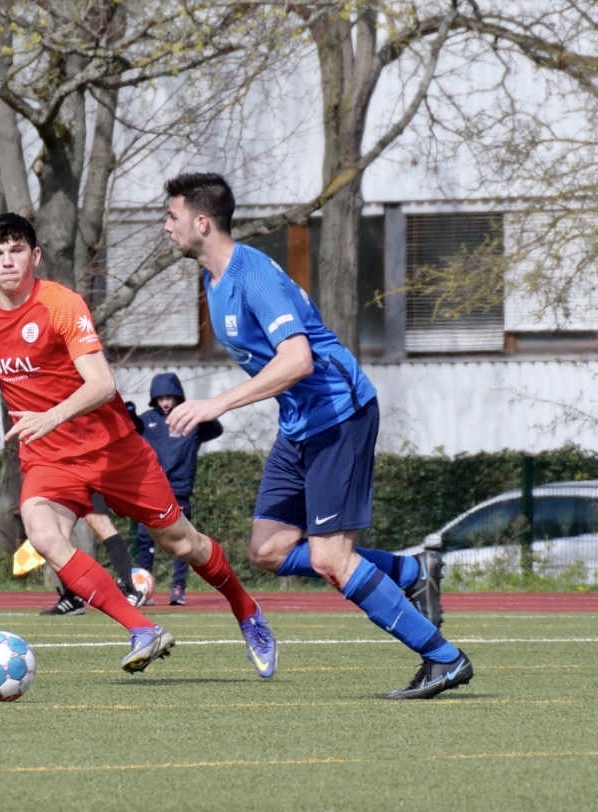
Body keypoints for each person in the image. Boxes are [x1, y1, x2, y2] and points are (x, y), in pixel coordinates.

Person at [160, 172, 468, 699]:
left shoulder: (254, 276)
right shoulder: (214, 282)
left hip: (339, 415)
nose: (166, 227)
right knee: (269, 549)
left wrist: (217, 403)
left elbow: (298, 360)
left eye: (172, 217)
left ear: (202, 222)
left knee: (330, 559)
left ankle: (445, 659)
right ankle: (411, 570)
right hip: (300, 424)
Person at [0, 211, 278, 677]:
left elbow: (103, 384)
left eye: (17, 250)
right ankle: (142, 629)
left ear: (35, 256)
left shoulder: (61, 305)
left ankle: (245, 608)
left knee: (181, 543)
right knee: (44, 535)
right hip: (48, 458)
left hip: (113, 451)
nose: (8, 261)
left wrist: (52, 415)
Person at [132, 373, 223, 606]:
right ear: (154, 398)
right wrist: (128, 414)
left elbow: (215, 429)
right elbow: (128, 430)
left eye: (170, 397)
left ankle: (178, 587)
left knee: (183, 541)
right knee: (145, 539)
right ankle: (144, 587)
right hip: (151, 490)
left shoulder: (189, 419)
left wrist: (200, 411)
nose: (165, 403)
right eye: (161, 398)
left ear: (178, 397)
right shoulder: (147, 421)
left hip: (179, 490)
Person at [41, 493, 145, 616]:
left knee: (100, 523)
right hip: (61, 483)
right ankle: (72, 598)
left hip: (88, 482)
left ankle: (130, 590)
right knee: (55, 534)